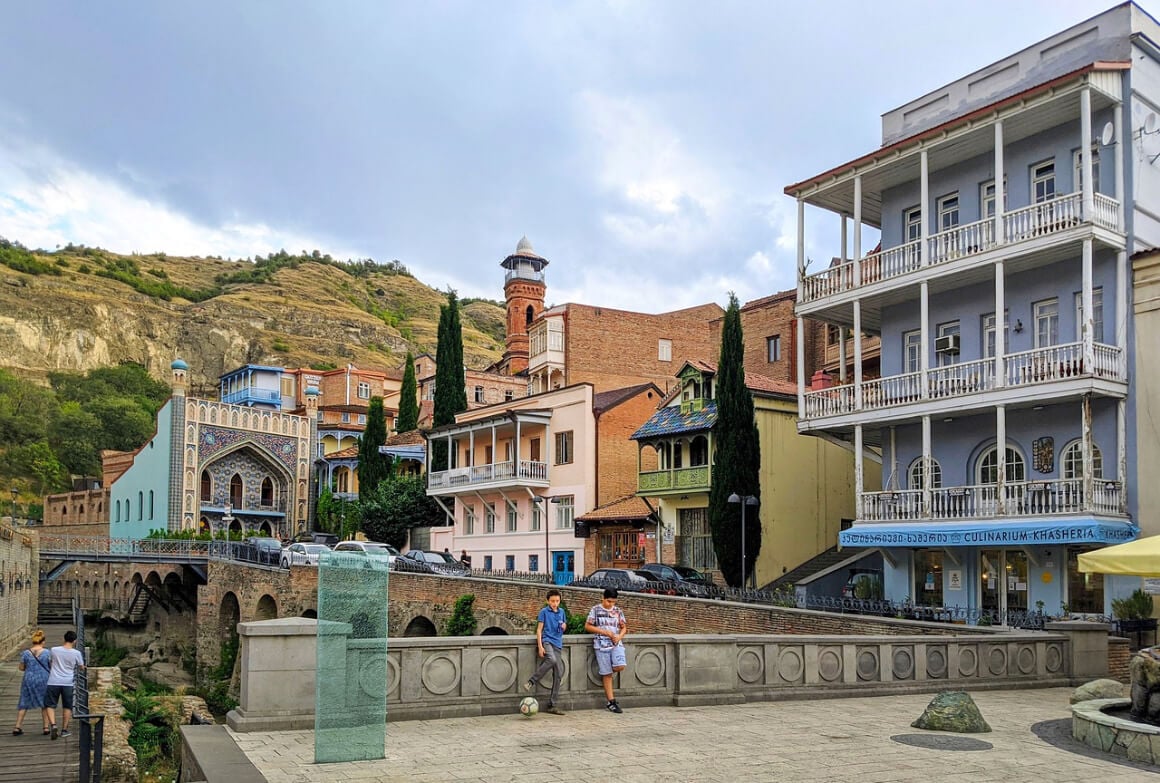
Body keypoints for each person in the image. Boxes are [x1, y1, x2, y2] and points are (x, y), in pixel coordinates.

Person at [523, 588, 567, 715]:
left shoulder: (562, 612)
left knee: (559, 674)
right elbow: (539, 630)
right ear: (548, 601)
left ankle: (552, 705)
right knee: (551, 659)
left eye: (557, 601)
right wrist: (540, 646)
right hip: (547, 641)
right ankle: (531, 681)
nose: (555, 603)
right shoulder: (544, 612)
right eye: (552, 601)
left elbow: (563, 626)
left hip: (558, 643)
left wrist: (564, 626)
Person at [585, 587, 627, 713]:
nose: (611, 604)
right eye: (609, 601)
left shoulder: (618, 611)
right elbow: (587, 626)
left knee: (620, 666)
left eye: (613, 602)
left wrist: (619, 636)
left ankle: (606, 673)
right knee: (607, 674)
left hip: (615, 643)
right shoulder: (595, 610)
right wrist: (603, 632)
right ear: (603, 598)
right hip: (601, 645)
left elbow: (624, 627)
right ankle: (611, 701)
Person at [44, 630, 85, 740]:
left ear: (64, 639)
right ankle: (64, 730)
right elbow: (81, 666)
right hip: (68, 682)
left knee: (49, 705)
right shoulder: (76, 653)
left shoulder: (54, 650)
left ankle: (53, 724)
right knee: (67, 706)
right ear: (75, 641)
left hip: (53, 681)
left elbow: (51, 662)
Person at [13, 629, 51, 736]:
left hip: (29, 679)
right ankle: (46, 727)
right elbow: (51, 666)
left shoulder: (26, 653)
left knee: (24, 702)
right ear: (42, 641)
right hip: (44, 678)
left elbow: (21, 668)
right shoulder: (47, 652)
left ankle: (17, 726)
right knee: (45, 703)